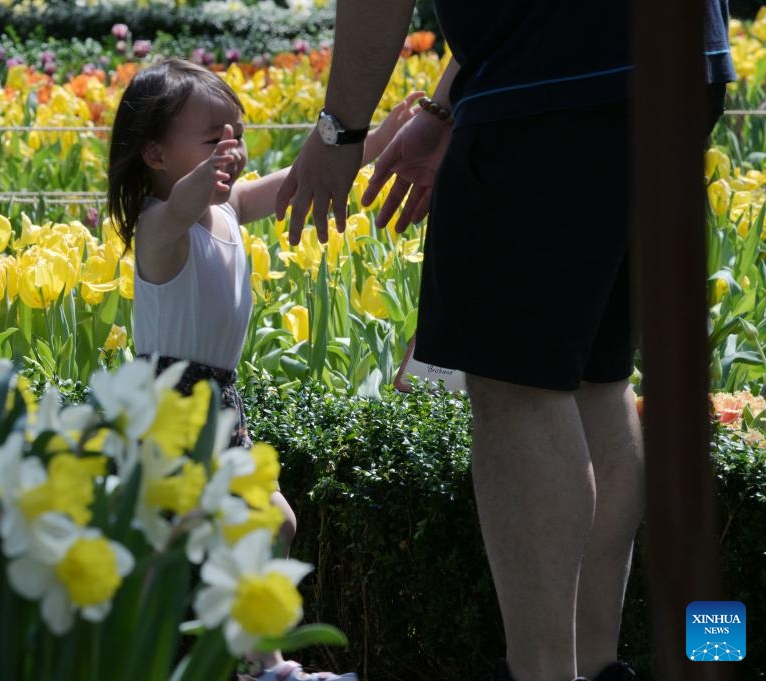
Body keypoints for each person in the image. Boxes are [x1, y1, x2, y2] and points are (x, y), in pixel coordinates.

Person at [274, 3, 736, 681]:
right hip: (675, 58)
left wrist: (339, 130)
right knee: (594, 378)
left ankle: (544, 673)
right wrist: (441, 109)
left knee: (518, 387)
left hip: (550, 79)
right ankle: (591, 665)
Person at [107, 57, 420, 681]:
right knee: (168, 551)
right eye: (213, 138)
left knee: (263, 524)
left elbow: (296, 181)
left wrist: (374, 144)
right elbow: (180, 208)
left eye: (237, 135)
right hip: (168, 401)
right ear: (154, 154)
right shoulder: (156, 228)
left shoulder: (228, 212)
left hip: (218, 398)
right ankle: (156, 659)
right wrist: (210, 176)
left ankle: (260, 663)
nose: (232, 149)